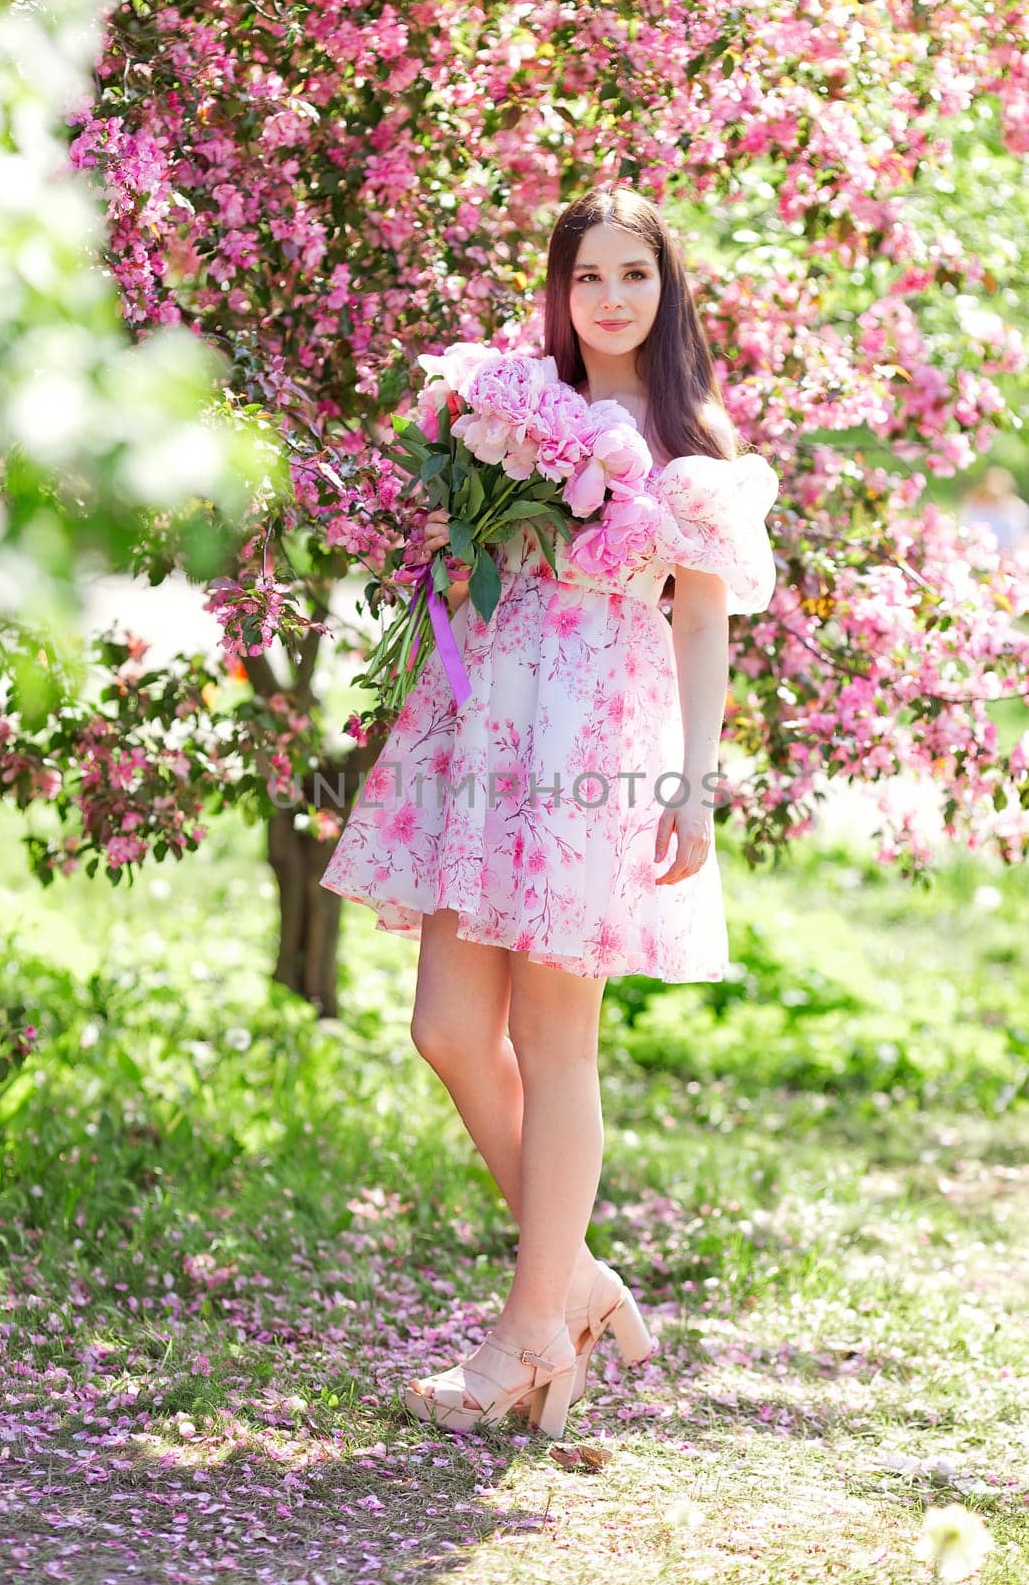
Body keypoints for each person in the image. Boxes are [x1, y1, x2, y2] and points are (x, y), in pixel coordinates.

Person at [319, 185, 780, 1439]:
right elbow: (477, 556)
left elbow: (699, 623)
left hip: (596, 736)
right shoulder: (510, 405)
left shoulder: (691, 440)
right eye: (589, 277)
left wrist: (691, 782)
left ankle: (526, 1336)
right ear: (559, 291)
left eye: (634, 274)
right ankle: (575, 1282)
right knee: (448, 1027)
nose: (613, 297)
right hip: (488, 725)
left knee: (553, 1036)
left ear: (664, 289)